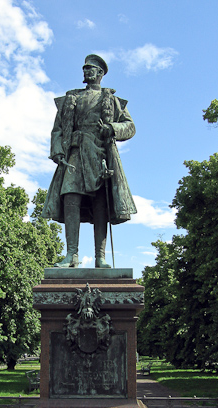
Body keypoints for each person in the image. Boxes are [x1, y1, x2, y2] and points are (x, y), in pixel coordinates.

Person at [42, 54, 137, 268]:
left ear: (100, 73)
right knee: (70, 196)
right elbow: (57, 128)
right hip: (75, 152)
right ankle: (72, 255)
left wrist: (112, 128)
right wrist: (57, 150)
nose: (86, 72)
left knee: (100, 202)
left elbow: (130, 126)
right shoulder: (72, 97)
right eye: (84, 68)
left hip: (100, 153)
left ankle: (100, 257)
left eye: (90, 69)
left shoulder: (111, 98)